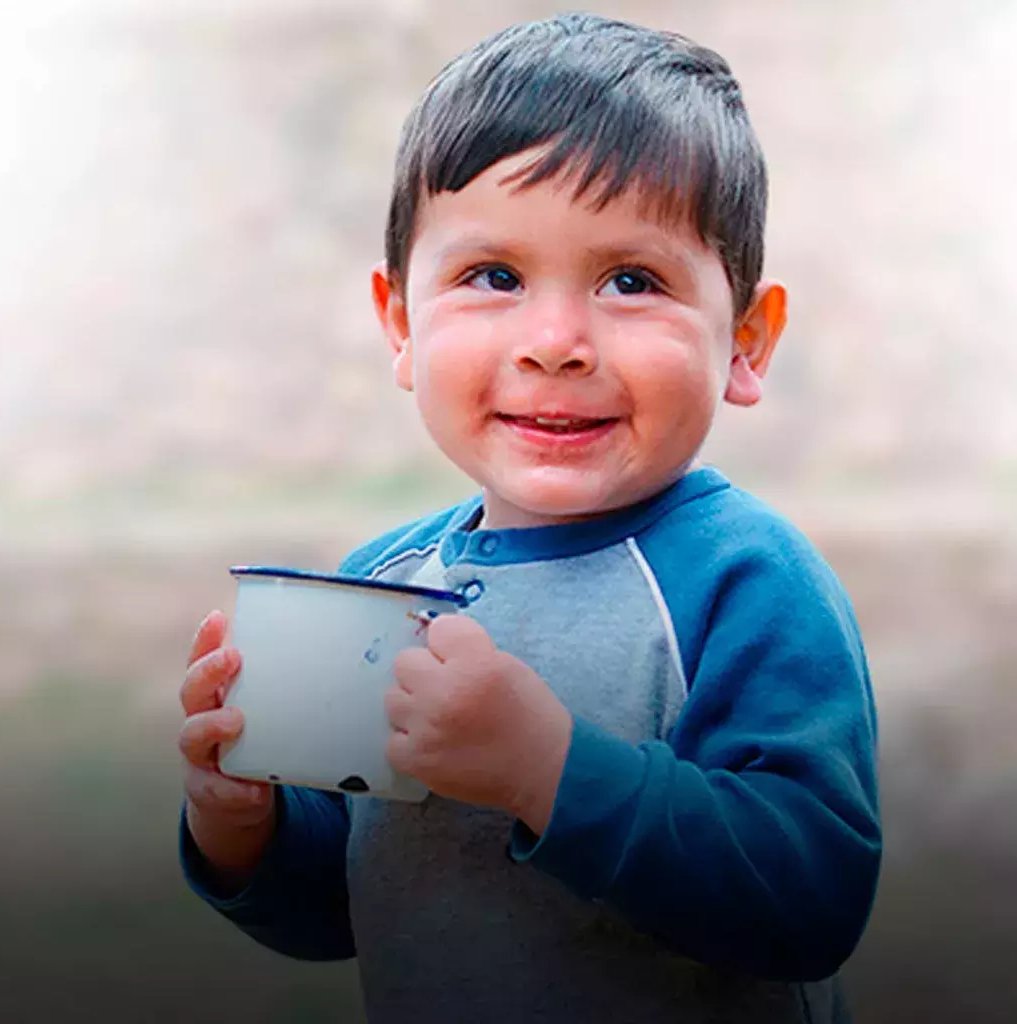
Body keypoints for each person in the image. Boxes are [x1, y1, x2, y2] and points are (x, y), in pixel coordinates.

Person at [175, 13, 879, 1022]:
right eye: (493, 277)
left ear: (747, 342)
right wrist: (243, 822)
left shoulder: (744, 580)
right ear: (402, 324)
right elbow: (340, 908)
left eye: (631, 281)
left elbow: (809, 897)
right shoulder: (386, 583)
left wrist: (546, 768)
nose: (556, 341)